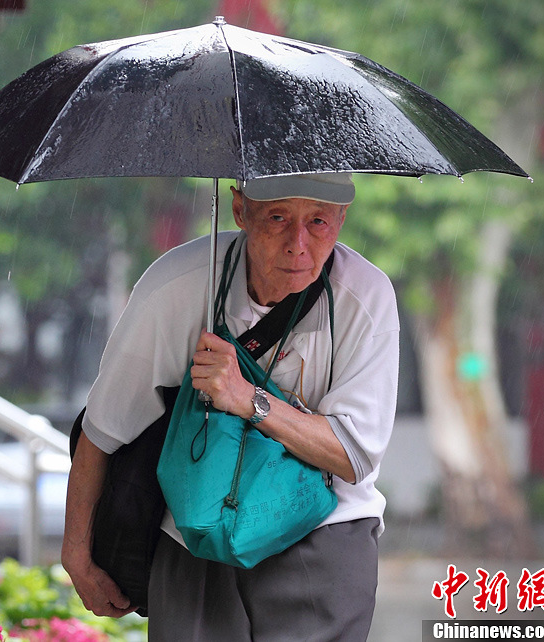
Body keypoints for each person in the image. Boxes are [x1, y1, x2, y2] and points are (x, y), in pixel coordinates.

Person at [62, 172, 399, 641]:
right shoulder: (176, 284)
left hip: (323, 528)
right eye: (278, 217)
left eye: (319, 221)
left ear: (342, 219)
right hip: (193, 532)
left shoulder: (365, 297)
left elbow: (352, 454)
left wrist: (249, 401)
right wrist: (76, 553)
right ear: (240, 210)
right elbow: (104, 426)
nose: (298, 244)